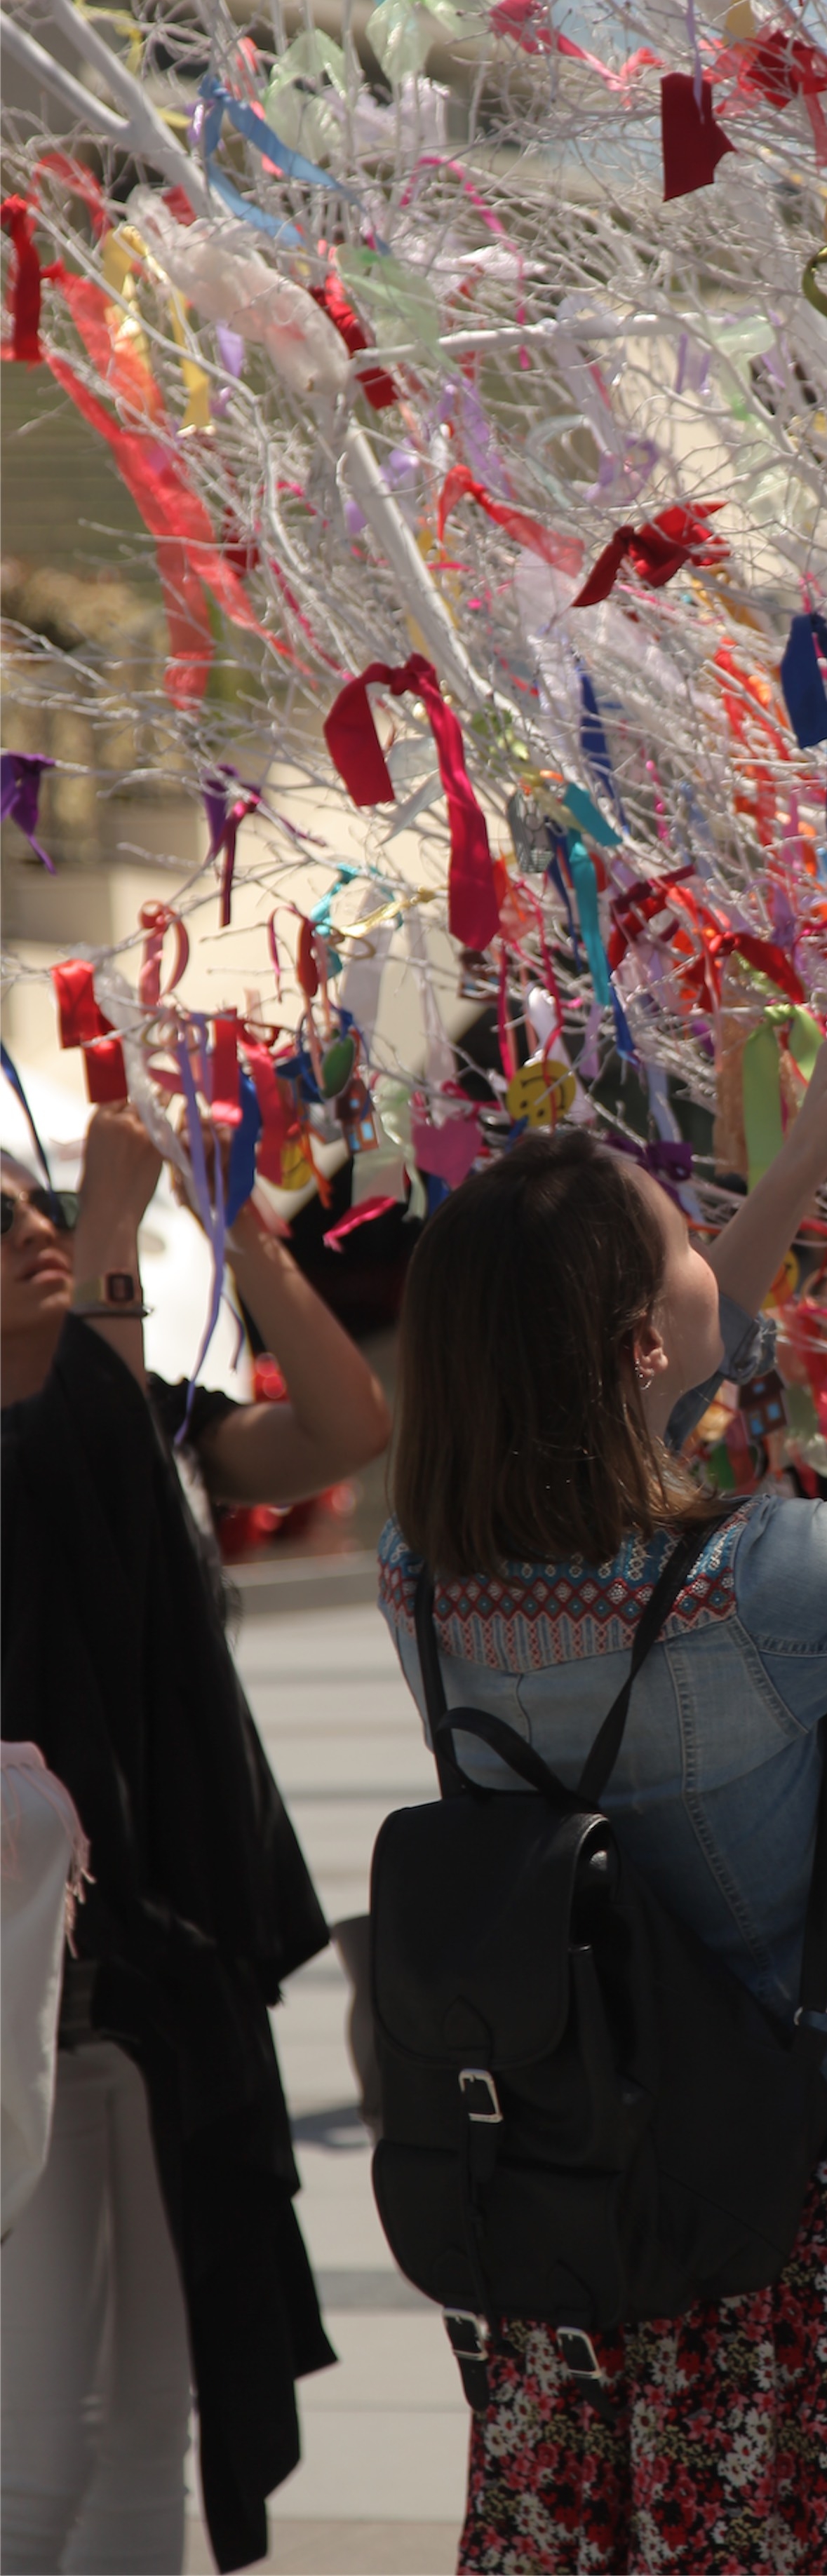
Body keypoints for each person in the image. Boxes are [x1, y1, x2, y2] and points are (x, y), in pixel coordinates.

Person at [381, 1005, 827, 2575]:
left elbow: (621, 1412)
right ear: (648, 1335)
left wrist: (790, 1171)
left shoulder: (422, 1580)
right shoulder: (754, 1587)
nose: (711, 1256)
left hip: (600, 2210)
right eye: (684, 1243)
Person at [1, 1102, 392, 2575]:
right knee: (34, 2449)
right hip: (26, 2002)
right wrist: (105, 1235)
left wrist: (251, 1247)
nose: (37, 1229)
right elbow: (65, 1492)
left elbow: (345, 1434)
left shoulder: (135, 1401)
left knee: (160, 2423)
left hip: (162, 1980)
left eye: (41, 1206)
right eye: (4, 1221)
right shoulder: (47, 1426)